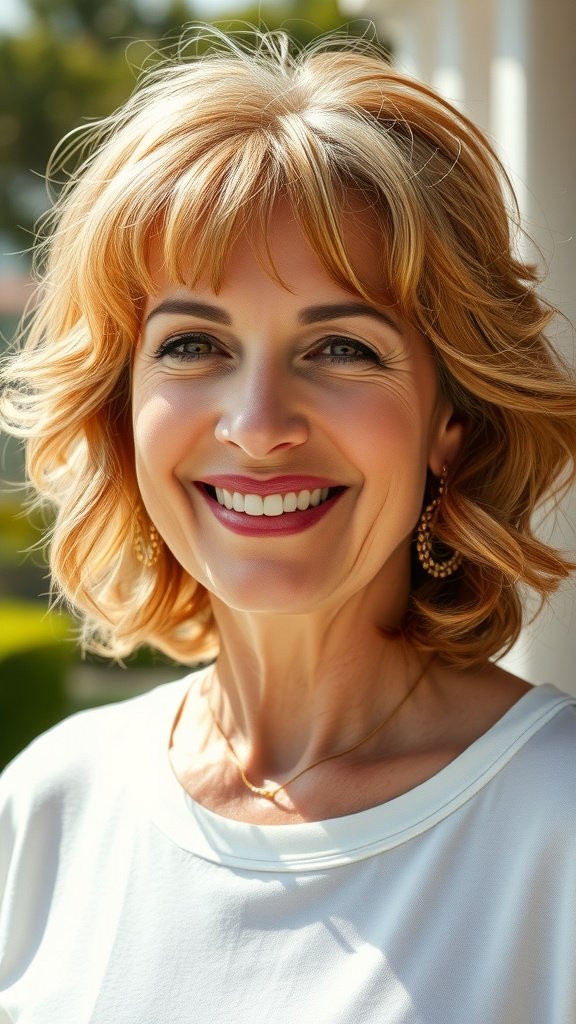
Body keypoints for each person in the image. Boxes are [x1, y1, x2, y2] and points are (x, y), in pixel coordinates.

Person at [1, 25, 576, 1024]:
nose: (259, 425)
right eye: (192, 344)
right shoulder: (48, 806)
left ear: (450, 418)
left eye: (342, 348)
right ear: (120, 407)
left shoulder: (557, 825)